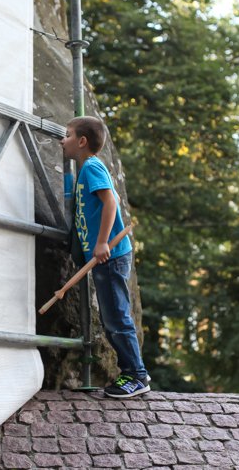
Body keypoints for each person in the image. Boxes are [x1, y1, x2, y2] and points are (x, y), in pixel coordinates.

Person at [61, 115, 150, 398]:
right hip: (105, 259)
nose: (62, 140)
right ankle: (134, 371)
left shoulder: (91, 167)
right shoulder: (88, 169)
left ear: (82, 141)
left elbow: (111, 202)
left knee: (117, 318)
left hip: (110, 257)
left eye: (67, 135)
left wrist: (101, 242)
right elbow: (107, 202)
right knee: (113, 318)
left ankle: (136, 375)